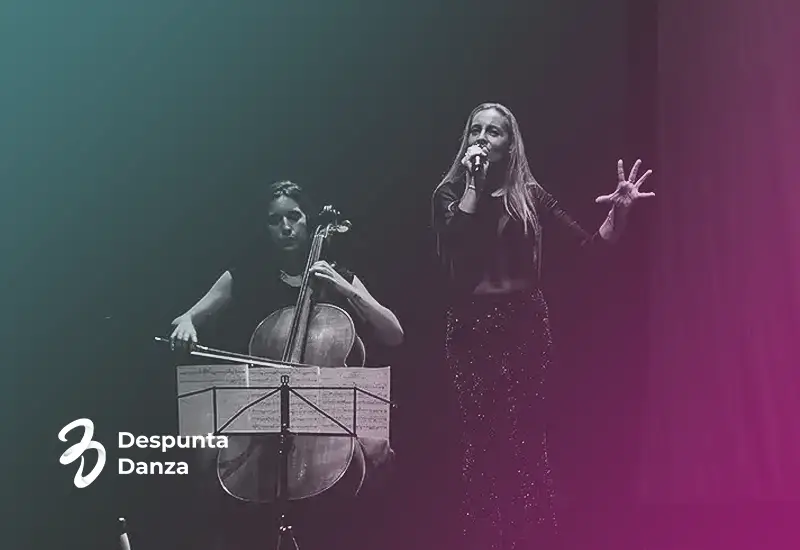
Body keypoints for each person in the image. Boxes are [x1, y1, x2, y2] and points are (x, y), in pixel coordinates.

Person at [431, 102, 654, 549]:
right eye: (475, 130)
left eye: (493, 131)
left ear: (510, 144)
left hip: (524, 328)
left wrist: (619, 213)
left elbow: (588, 250)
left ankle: (531, 540)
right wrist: (473, 184)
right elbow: (458, 248)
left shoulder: (531, 197)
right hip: (471, 331)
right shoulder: (450, 193)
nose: (482, 138)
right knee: (480, 446)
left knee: (526, 445)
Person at [169, 180, 403, 550]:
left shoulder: (337, 274)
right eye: (274, 220)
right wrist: (186, 324)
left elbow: (394, 333)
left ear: (308, 220)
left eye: (294, 217)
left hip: (326, 402)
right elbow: (189, 316)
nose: (286, 227)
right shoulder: (247, 274)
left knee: (378, 448)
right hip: (266, 404)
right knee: (203, 448)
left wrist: (347, 289)